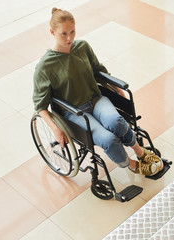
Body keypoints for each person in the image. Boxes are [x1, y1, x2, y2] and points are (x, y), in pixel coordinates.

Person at [32, 8, 163, 176]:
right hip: (74, 113)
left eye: (72, 32)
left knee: (116, 121)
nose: (69, 38)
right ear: (52, 32)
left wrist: (117, 90)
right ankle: (131, 165)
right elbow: (40, 105)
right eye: (63, 34)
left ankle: (141, 153)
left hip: (95, 99)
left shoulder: (82, 47)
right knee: (108, 139)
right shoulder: (45, 66)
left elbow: (99, 71)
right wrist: (56, 129)